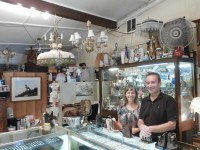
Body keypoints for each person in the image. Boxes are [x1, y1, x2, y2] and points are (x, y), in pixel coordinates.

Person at [138, 72, 177, 142]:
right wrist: (141, 126)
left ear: (160, 83)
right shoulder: (144, 100)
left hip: (162, 142)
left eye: (153, 82)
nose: (150, 85)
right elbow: (141, 119)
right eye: (148, 83)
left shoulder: (169, 100)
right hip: (145, 140)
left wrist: (149, 129)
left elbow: (172, 124)